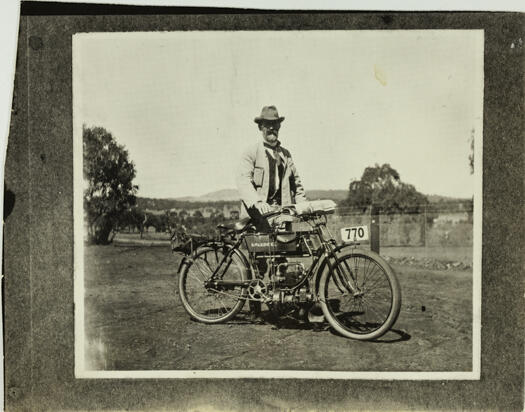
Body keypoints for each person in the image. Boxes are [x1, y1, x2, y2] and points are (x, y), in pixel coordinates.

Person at [236, 105, 307, 230]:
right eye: (267, 124)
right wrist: (257, 202)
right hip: (256, 218)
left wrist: (305, 207)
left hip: (282, 217)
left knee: (288, 248)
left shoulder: (286, 155)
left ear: (279, 126)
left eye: (275, 124)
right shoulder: (251, 153)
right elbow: (243, 182)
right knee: (261, 248)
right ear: (260, 127)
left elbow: (297, 186)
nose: (271, 128)